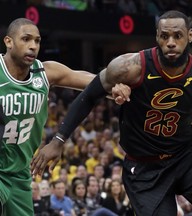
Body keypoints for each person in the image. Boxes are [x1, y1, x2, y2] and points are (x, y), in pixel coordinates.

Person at [31, 10, 192, 215]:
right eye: (165, 36)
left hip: (187, 157)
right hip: (143, 167)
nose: (171, 42)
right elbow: (88, 95)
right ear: (157, 38)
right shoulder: (130, 67)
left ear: (190, 37)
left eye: (177, 36)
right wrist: (59, 140)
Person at [0, 18, 130, 216]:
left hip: (20, 173)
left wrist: (116, 89)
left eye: (37, 41)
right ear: (8, 42)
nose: (33, 46)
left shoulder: (45, 72)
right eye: (26, 39)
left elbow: (94, 82)